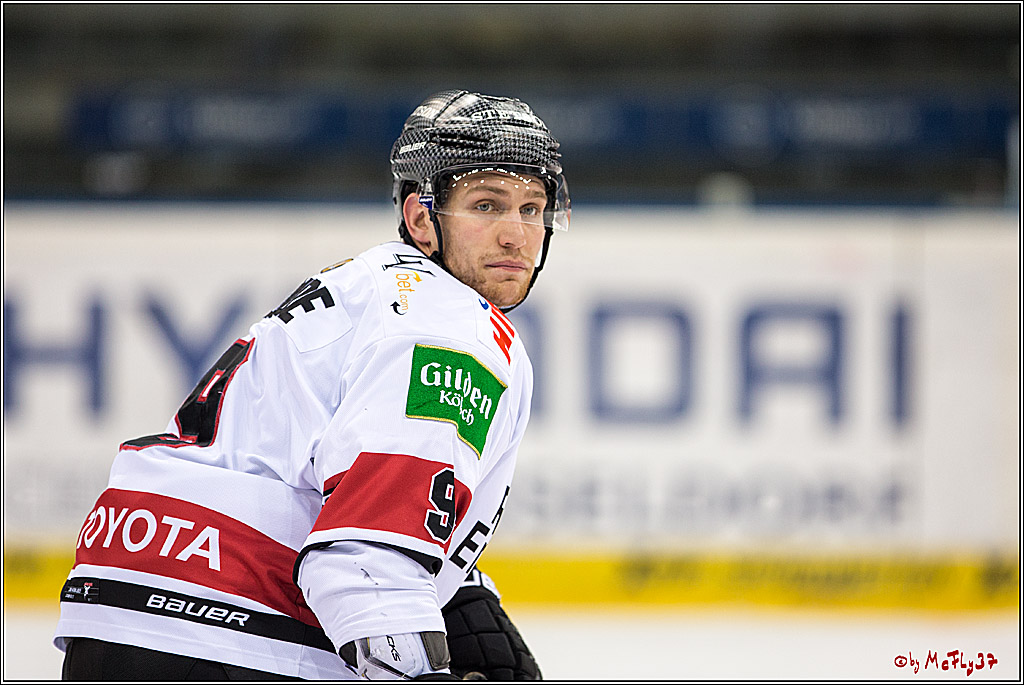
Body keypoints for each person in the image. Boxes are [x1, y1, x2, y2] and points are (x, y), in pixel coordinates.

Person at [54, 89, 570, 680]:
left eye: (532, 208)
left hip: (116, 597)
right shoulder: (452, 330)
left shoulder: (370, 286)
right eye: (486, 205)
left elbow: (349, 488)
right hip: (232, 634)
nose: (516, 235)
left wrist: (462, 599)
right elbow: (367, 557)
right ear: (422, 217)